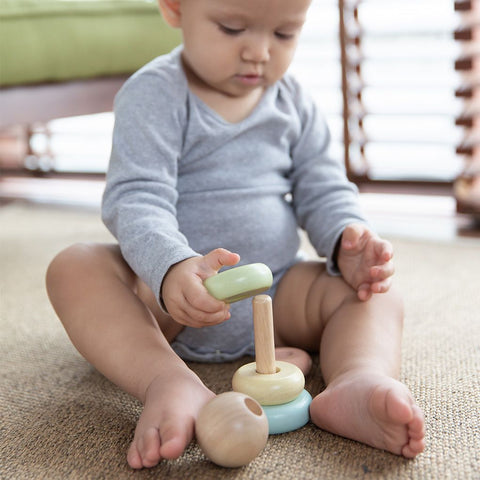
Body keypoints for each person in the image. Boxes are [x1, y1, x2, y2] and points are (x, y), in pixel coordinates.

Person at [46, 0, 425, 469]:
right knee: (75, 267)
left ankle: (357, 382)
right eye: (232, 28)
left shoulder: (294, 102)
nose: (260, 53)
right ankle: (166, 379)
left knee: (377, 295)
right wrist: (171, 268)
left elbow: (324, 189)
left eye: (284, 34)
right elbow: (137, 198)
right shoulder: (154, 94)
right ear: (175, 8)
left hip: (279, 292)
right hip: (169, 305)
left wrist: (348, 242)